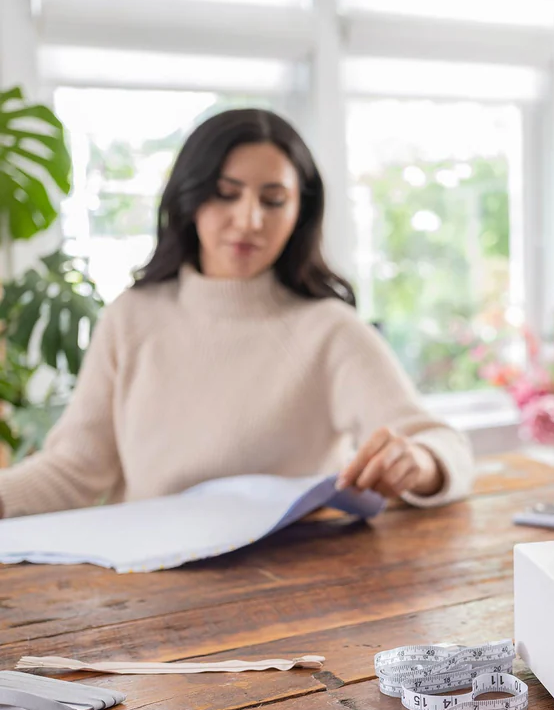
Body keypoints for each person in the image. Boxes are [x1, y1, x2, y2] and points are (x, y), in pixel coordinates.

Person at [0, 109, 474, 518]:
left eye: (273, 200)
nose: (249, 220)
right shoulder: (131, 317)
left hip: (289, 594)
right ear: (189, 200)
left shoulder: (329, 330)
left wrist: (420, 462)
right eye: (226, 194)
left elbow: (444, 446)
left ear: (300, 212)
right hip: (147, 592)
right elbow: (75, 467)